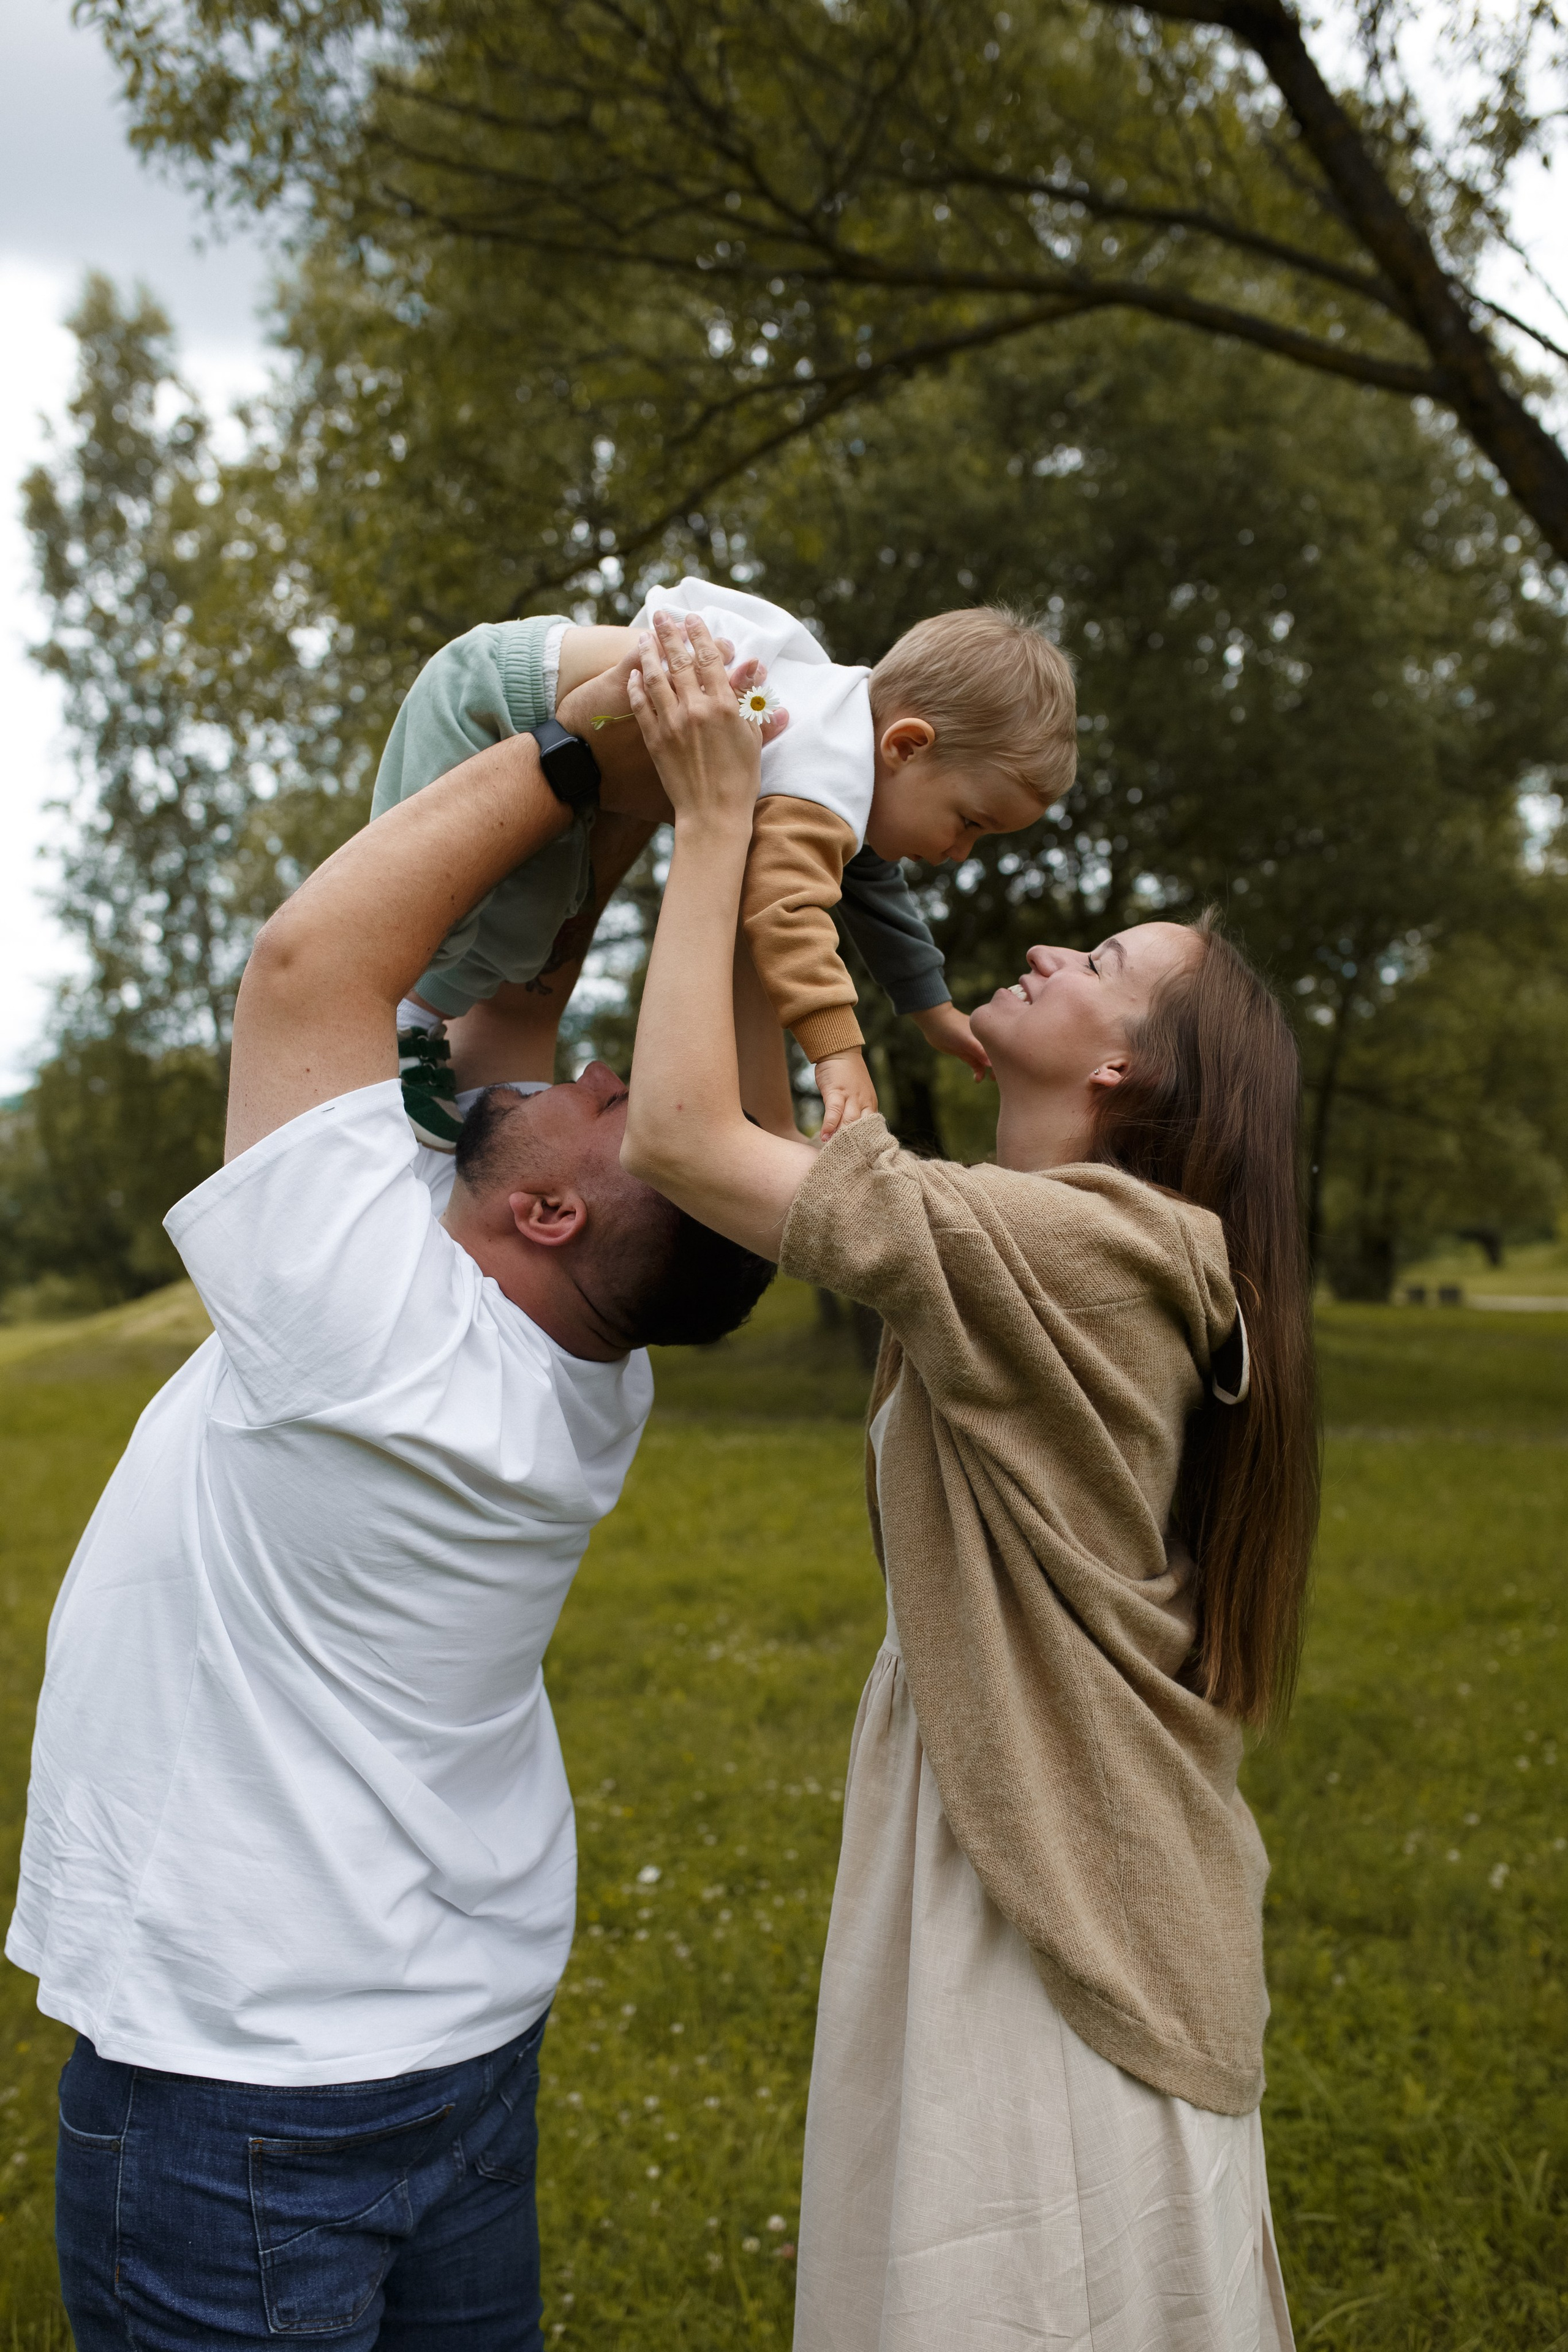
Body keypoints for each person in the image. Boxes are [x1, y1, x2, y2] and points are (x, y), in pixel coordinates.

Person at [5, 696, 778, 2350]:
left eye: (602, 1106)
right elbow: (515, 1010)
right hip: (456, 2043)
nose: (578, 1069)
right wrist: (642, 829)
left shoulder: (363, 1328)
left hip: (244, 2083)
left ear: (553, 1208)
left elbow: (307, 971)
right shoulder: (580, 1370)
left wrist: (585, 742)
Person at [618, 610, 1320, 2350]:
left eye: (1109, 959)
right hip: (1027, 1831)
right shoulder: (1062, 1242)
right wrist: (792, 863)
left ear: (1126, 1070)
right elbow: (807, 1138)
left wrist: (717, 821)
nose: (1048, 938)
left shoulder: (1082, 1253)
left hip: (1054, 1905)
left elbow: (685, 1141)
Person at [373, 580, 1077, 1145]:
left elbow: (872, 888)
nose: (958, 853)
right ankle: (399, 1033)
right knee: (442, 909)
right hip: (492, 702)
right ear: (906, 746)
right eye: (970, 823)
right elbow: (788, 912)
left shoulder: (846, 748)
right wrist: (837, 1053)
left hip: (540, 730)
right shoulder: (824, 764)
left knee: (524, 934)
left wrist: (932, 1010)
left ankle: (414, 1021)